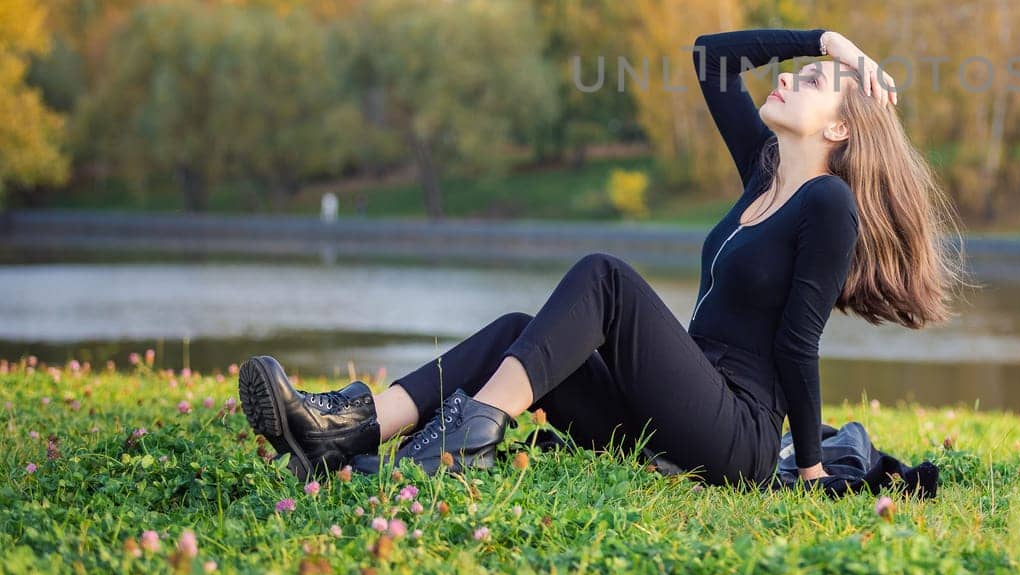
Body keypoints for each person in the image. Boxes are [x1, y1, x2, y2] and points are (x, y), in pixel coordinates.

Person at [238, 28, 968, 488]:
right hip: (676, 410)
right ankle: (344, 429)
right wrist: (826, 39)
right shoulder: (765, 174)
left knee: (605, 277)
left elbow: (797, 344)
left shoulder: (828, 205)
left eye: (809, 80)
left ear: (841, 125)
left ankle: (465, 441)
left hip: (736, 435)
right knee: (515, 330)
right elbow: (712, 57)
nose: (787, 76)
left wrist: (808, 465)